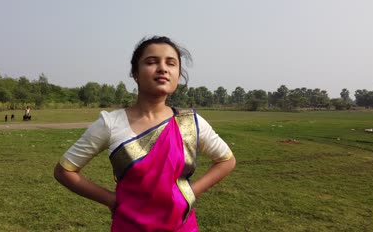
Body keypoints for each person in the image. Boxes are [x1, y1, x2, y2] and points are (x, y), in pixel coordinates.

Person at [54, 36, 236, 231]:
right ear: (135, 73)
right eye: (152, 62)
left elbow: (227, 160)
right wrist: (111, 200)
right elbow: (64, 171)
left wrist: (191, 192)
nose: (163, 68)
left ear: (178, 74)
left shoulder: (190, 122)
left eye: (171, 63)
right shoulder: (111, 123)